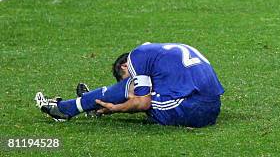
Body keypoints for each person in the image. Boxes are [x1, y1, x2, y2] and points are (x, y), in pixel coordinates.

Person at [35, 42, 224, 127]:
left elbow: (143, 103)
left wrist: (116, 107)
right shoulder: (164, 51)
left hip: (191, 110)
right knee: (138, 91)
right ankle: (89, 103)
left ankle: (66, 109)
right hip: (213, 108)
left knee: (132, 91)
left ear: (124, 65)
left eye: (125, 75)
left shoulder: (137, 56)